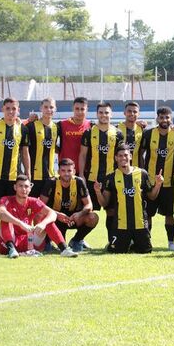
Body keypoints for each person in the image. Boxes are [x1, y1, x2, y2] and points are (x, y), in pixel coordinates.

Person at [95, 144, 163, 254]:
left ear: (130, 156)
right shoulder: (111, 177)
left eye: (126, 155)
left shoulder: (142, 173)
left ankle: (133, 243)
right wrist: (98, 192)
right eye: (120, 156)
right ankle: (120, 242)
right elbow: (104, 203)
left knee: (145, 251)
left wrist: (158, 184)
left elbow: (152, 196)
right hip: (121, 224)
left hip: (140, 223)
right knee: (116, 251)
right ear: (116, 158)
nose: (123, 158)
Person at [140, 106, 174, 250]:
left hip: (168, 182)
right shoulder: (148, 134)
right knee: (148, 214)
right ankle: (147, 240)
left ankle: (171, 242)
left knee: (169, 213)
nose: (164, 120)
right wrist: (143, 173)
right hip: (150, 182)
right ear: (157, 119)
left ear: (171, 119)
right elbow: (140, 152)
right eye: (161, 117)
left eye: (167, 117)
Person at [0, 175, 77, 258]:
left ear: (30, 188)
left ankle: (64, 249)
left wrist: (43, 224)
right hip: (8, 242)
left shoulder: (33, 201)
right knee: (5, 219)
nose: (24, 189)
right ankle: (11, 249)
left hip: (28, 241)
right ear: (15, 187)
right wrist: (20, 223)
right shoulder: (6, 199)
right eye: (20, 186)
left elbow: (52, 213)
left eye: (26, 186)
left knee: (46, 219)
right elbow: (0, 213)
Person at [0, 97, 31, 250]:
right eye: (8, 108)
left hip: (14, 177)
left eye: (14, 109)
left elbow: (25, 153)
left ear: (18, 110)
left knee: (11, 210)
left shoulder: (22, 129)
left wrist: (28, 173)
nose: (11, 111)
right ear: (2, 110)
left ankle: (12, 241)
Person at [78, 101, 124, 241]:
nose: (104, 115)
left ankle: (112, 241)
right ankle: (79, 240)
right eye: (101, 112)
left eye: (106, 112)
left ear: (111, 114)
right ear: (97, 114)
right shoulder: (89, 132)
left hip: (111, 179)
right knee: (88, 211)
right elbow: (83, 155)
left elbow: (121, 157)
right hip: (92, 178)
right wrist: (81, 175)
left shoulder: (117, 133)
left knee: (112, 211)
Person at [39, 158, 99, 252]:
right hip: (55, 218)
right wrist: (57, 214)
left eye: (69, 170)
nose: (66, 173)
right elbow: (40, 205)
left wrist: (79, 214)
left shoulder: (79, 182)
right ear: (58, 171)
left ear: (74, 171)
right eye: (63, 170)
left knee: (93, 217)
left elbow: (89, 205)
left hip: (72, 218)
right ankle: (47, 242)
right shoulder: (51, 182)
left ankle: (76, 240)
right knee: (39, 215)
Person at [27, 98, 61, 198]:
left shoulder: (57, 128)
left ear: (55, 109)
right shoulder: (31, 126)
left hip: (50, 176)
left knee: (48, 209)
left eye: (51, 107)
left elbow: (57, 147)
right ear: (41, 108)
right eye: (46, 107)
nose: (48, 110)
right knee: (30, 207)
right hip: (33, 175)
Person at [58, 97, 91, 174]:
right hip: (66, 172)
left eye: (82, 109)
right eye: (77, 108)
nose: (79, 112)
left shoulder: (91, 126)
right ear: (73, 108)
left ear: (87, 110)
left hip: (85, 172)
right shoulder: (61, 125)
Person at [117, 101, 145, 167]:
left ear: (138, 114)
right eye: (129, 111)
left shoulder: (143, 131)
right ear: (124, 113)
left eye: (135, 112)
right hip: (119, 170)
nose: (132, 113)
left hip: (137, 170)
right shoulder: (116, 129)